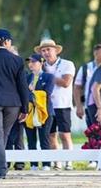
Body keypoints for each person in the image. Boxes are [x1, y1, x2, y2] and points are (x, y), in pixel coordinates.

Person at [36, 39, 76, 170]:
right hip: (47, 105)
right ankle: (57, 162)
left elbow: (66, 82)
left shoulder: (67, 64)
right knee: (51, 135)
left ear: (55, 51)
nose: (46, 53)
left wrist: (46, 76)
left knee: (65, 134)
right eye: (43, 50)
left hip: (63, 104)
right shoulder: (40, 66)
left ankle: (68, 162)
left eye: (48, 49)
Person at [0, 29, 29, 179]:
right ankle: (0, 168)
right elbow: (22, 86)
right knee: (3, 135)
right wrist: (25, 108)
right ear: (7, 42)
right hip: (13, 104)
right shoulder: (17, 60)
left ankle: (0, 169)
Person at [24, 54, 54, 170]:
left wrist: (32, 91)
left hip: (44, 112)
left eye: (33, 62)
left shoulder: (49, 77)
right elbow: (23, 94)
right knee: (31, 140)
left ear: (41, 63)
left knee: (44, 139)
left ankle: (46, 164)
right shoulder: (26, 78)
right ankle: (34, 164)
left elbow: (47, 93)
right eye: (29, 62)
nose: (30, 64)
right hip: (30, 112)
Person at [73, 44, 101, 127]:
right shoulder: (86, 68)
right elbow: (77, 88)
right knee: (93, 133)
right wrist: (79, 106)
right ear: (96, 54)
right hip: (90, 106)